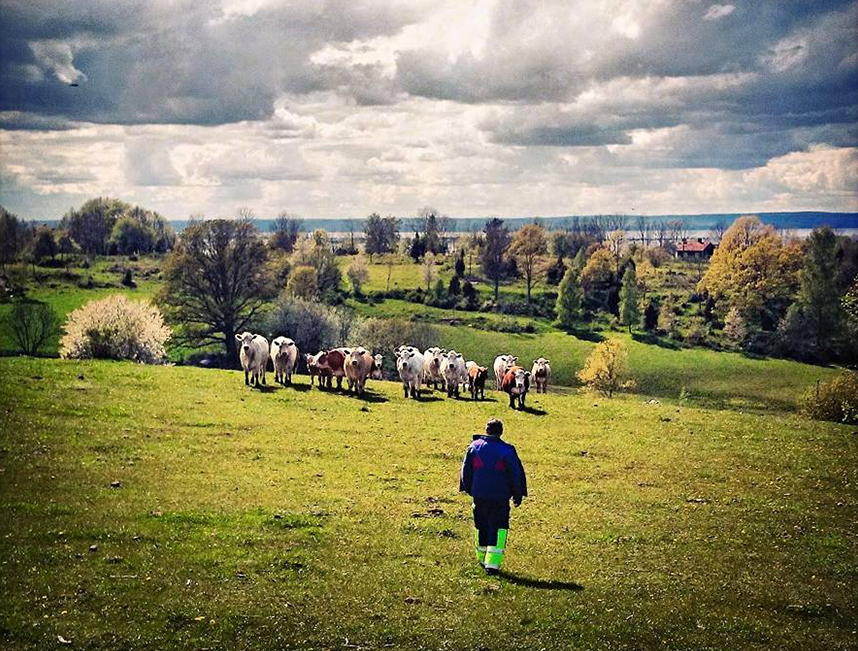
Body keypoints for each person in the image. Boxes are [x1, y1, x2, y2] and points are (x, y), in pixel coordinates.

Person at [459, 418, 527, 575]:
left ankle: (481, 557)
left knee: (481, 525)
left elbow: (465, 471)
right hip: (500, 497)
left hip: (479, 495)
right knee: (498, 527)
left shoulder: (473, 447)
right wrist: (518, 494)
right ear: (501, 432)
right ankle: (493, 564)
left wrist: (469, 489)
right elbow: (515, 474)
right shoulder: (507, 450)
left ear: (486, 430)